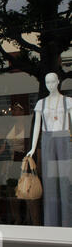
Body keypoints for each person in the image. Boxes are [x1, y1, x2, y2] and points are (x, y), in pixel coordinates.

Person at [27, 72, 72, 227]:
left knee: (66, 184)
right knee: (50, 183)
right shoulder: (41, 103)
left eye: (53, 81)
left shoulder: (68, 102)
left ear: (58, 81)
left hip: (65, 141)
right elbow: (37, 127)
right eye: (47, 82)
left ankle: (67, 225)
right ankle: (51, 225)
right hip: (48, 143)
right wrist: (33, 147)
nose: (50, 85)